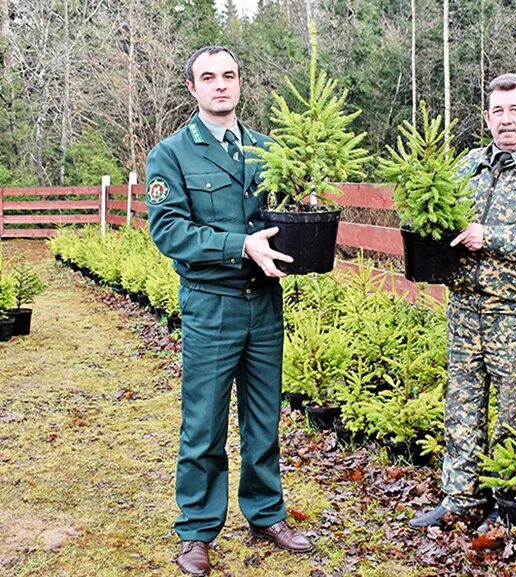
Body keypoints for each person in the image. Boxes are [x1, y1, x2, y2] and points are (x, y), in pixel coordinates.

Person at [145, 46, 313, 577]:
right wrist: (240, 246)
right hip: (211, 305)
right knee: (204, 423)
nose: (221, 85)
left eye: (230, 76)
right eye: (209, 78)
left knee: (264, 419)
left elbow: (284, 219)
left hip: (263, 305)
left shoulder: (266, 150)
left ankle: (266, 514)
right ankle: (196, 529)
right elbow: (168, 230)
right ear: (192, 89)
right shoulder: (171, 155)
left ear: (241, 84)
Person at [408, 73, 516, 532]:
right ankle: (459, 500)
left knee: (515, 414)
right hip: (465, 309)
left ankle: (510, 509)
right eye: (498, 112)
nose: (506, 120)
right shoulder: (469, 165)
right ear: (487, 118)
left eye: (515, 110)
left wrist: (491, 238)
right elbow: (440, 213)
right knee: (461, 405)